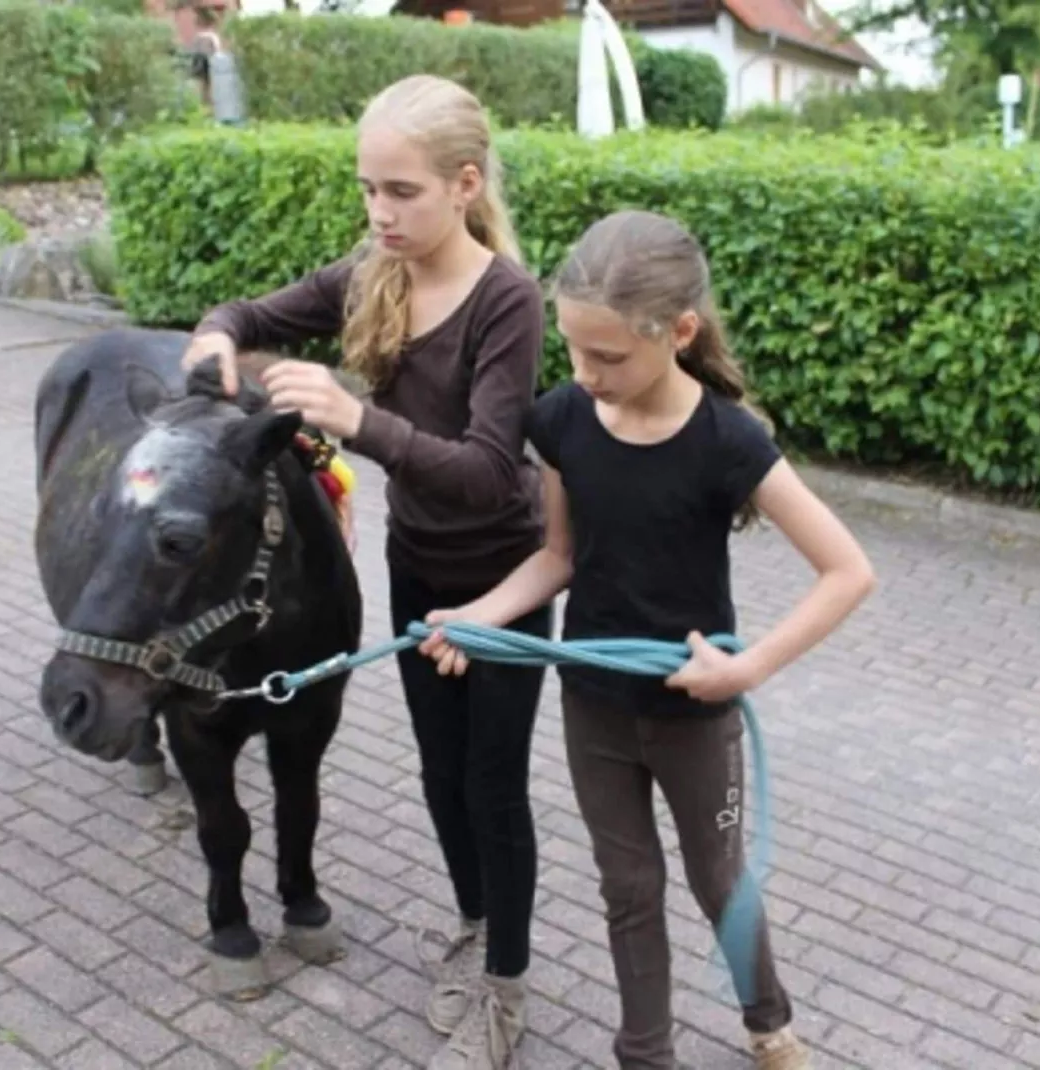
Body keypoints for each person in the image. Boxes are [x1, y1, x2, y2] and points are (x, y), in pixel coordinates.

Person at [418, 209, 877, 1070]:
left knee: (720, 880)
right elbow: (557, 557)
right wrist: (478, 618)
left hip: (696, 716)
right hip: (594, 710)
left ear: (681, 332)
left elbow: (848, 571)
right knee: (628, 890)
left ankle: (768, 1021)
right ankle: (645, 1056)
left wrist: (746, 667)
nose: (586, 375)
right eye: (575, 351)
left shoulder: (729, 441)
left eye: (610, 357)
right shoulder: (561, 422)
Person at [181, 74, 552, 1070]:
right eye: (367, 190)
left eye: (401, 191)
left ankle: (505, 991)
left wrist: (356, 419)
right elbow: (248, 310)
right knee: (438, 774)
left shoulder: (506, 300)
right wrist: (220, 333)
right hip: (416, 563)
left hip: (504, 576)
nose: (379, 213)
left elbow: (483, 471)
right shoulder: (371, 267)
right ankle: (477, 925)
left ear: (464, 184)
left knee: (493, 783)